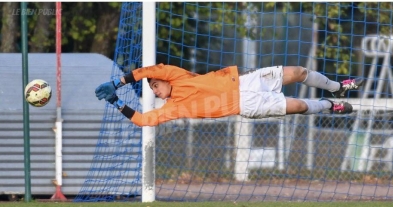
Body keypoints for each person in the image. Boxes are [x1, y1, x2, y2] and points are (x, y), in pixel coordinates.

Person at [95, 64, 364, 127]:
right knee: (298, 105)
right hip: (246, 104)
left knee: (298, 71)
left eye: (155, 84)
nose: (154, 88)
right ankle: (331, 105)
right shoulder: (171, 108)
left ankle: (336, 87)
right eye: (152, 88)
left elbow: (151, 70)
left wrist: (119, 82)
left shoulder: (176, 76)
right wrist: (117, 102)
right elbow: (144, 121)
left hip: (245, 80)